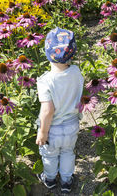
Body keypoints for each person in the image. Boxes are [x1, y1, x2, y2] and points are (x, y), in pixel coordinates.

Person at [36, 27, 84, 193]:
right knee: (68, 153)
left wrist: (43, 132)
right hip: (72, 125)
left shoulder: (45, 81)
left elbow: (47, 111)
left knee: (49, 155)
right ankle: (66, 181)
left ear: (47, 53)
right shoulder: (77, 73)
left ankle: (49, 179)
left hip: (52, 129)